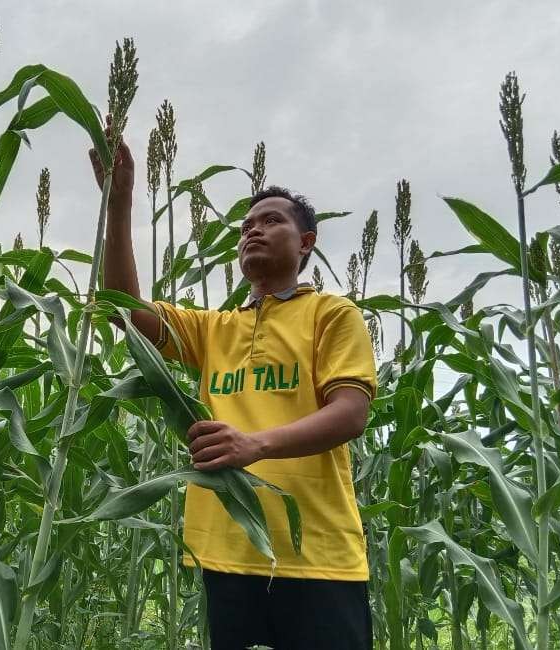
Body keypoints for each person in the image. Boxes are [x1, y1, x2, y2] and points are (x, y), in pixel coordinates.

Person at [90, 130, 376, 650]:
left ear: (306, 242)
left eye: (272, 221)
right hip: (226, 555)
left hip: (318, 561)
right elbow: (125, 311)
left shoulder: (332, 314)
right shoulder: (214, 329)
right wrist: (119, 202)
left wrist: (255, 445)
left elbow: (350, 413)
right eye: (246, 226)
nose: (253, 232)